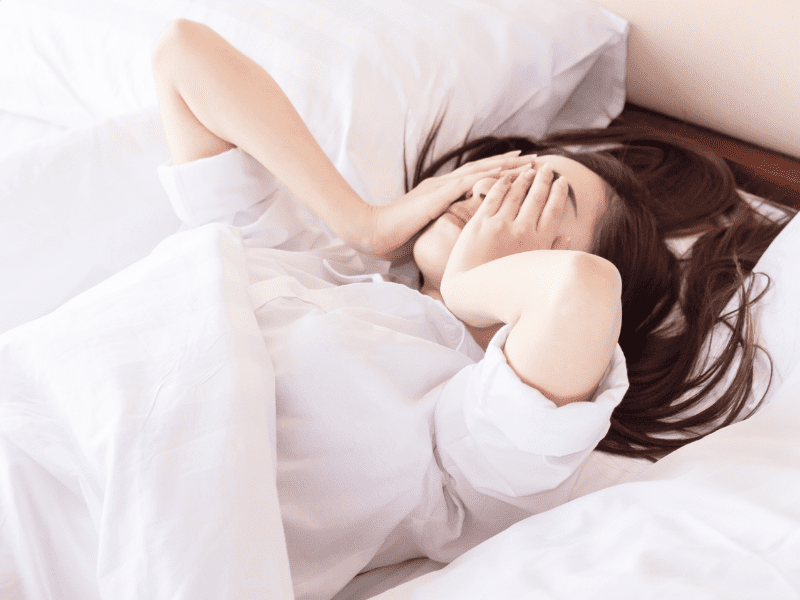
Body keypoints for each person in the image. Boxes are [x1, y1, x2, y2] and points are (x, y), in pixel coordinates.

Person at [151, 18, 794, 600]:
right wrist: (363, 225)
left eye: (542, 200)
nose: (496, 191)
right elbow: (183, 54)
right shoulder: (316, 265)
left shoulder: (470, 431)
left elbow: (583, 289)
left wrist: (465, 288)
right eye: (513, 170)